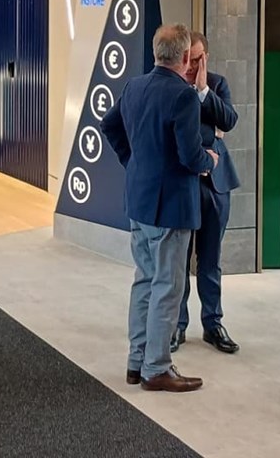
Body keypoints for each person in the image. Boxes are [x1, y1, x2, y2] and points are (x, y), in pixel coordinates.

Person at [100, 23, 218, 393]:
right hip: (171, 208)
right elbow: (191, 156)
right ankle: (157, 368)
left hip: (139, 201)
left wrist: (133, 163)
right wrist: (211, 160)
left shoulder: (134, 86)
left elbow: (109, 125)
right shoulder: (183, 96)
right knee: (168, 287)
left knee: (145, 281)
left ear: (156, 53)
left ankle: (136, 362)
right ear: (184, 56)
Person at [172, 31, 241, 355]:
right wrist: (210, 133)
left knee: (210, 260)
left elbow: (229, 120)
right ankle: (177, 325)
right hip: (182, 184)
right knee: (179, 260)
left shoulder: (216, 84)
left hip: (216, 185)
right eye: (187, 58)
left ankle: (213, 324)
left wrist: (202, 91)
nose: (190, 65)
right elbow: (194, 132)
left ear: (205, 59)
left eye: (197, 59)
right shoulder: (171, 84)